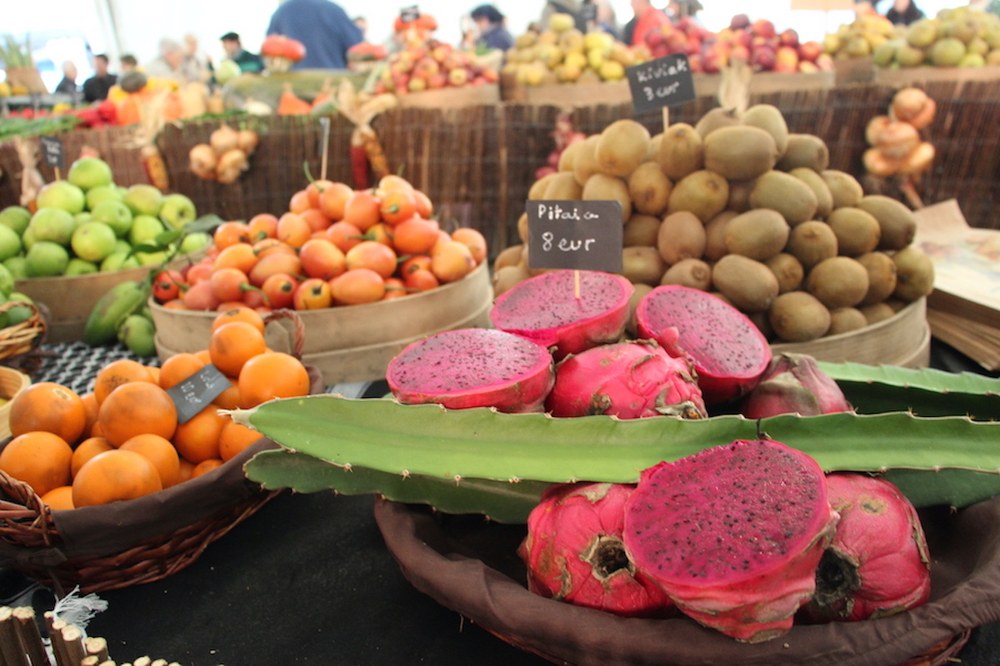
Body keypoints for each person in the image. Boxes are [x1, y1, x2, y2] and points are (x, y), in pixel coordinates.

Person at [266, 0, 363, 70]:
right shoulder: (335, 10)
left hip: (293, 84)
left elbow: (269, 48)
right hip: (333, 81)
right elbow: (359, 47)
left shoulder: (282, 11)